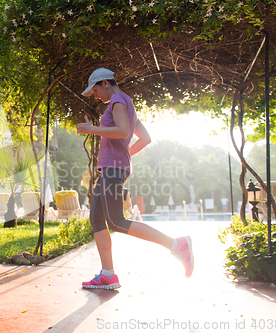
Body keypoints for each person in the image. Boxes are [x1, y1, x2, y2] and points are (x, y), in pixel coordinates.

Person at [76, 68, 194, 290]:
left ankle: (177, 244)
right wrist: (123, 154)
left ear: (104, 83)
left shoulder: (118, 100)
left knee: (115, 221)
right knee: (97, 219)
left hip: (113, 169)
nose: (96, 96)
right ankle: (108, 275)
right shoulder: (126, 103)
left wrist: (93, 129)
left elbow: (122, 131)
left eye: (95, 90)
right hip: (113, 166)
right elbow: (145, 138)